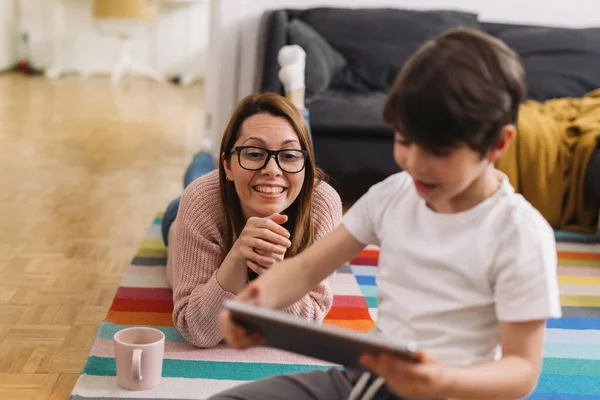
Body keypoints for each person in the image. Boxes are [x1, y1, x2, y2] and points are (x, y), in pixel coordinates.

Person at [214, 27, 562, 400]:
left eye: (438, 151)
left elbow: (522, 371)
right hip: (368, 382)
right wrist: (256, 302)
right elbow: (307, 268)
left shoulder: (519, 233)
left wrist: (442, 381)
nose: (414, 163)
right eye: (404, 141)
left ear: (497, 144)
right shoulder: (395, 193)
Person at [163, 46, 343, 348]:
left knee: (286, 145)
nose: (272, 170)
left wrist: (273, 274)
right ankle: (204, 154)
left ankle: (295, 100)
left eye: (288, 156)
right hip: (188, 210)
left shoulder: (323, 203)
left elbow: (309, 324)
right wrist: (236, 258)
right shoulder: (201, 201)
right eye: (254, 153)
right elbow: (197, 332)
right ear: (228, 165)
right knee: (195, 177)